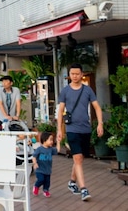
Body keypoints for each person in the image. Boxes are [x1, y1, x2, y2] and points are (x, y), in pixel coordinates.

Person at [57, 63, 103, 202]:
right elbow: (60, 111)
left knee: (80, 158)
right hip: (72, 129)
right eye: (72, 74)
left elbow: (97, 107)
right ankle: (83, 189)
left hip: (86, 128)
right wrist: (59, 130)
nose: (75, 76)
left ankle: (72, 182)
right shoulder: (65, 91)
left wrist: (100, 124)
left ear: (82, 74)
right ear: (69, 75)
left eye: (77, 74)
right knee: (77, 158)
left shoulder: (88, 90)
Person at [32, 131, 56, 198]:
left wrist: (59, 142)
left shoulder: (51, 149)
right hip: (40, 169)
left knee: (47, 182)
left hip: (48, 170)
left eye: (52, 140)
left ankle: (46, 191)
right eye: (50, 139)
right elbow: (34, 156)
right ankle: (36, 186)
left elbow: (58, 150)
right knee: (41, 179)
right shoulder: (39, 149)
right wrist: (35, 163)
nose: (52, 141)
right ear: (44, 140)